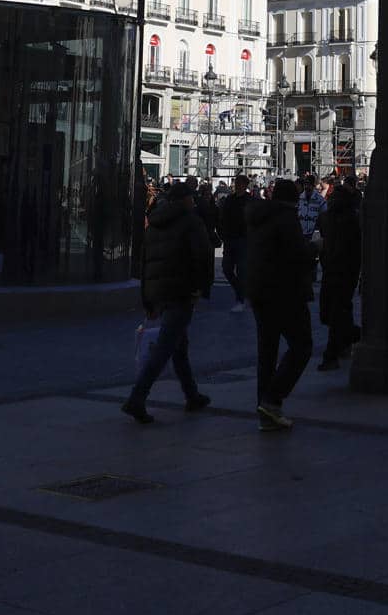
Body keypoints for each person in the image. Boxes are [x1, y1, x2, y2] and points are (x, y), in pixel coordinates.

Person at [123, 180, 214, 422]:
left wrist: (148, 299)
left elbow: (145, 262)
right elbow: (202, 257)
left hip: (159, 291)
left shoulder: (154, 223)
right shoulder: (191, 222)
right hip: (181, 290)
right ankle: (137, 397)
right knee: (165, 345)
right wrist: (200, 288)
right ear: (185, 200)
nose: (193, 201)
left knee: (178, 344)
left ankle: (191, 394)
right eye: (191, 198)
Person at [248, 178, 315, 431]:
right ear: (293, 200)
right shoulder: (286, 219)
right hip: (285, 293)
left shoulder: (260, 217)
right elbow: (296, 255)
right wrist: (315, 247)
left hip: (260, 292)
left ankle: (266, 413)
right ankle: (272, 399)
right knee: (302, 345)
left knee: (267, 353)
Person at [315, 180, 363, 370]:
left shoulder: (351, 220)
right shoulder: (328, 218)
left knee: (336, 313)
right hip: (332, 268)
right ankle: (353, 338)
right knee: (332, 313)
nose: (332, 200)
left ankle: (332, 354)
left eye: (335, 197)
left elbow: (354, 247)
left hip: (344, 270)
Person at [217, 176, 254, 312]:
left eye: (239, 183)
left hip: (243, 239)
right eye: (236, 183)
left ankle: (241, 298)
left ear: (245, 185)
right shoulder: (229, 200)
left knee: (241, 270)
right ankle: (243, 293)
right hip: (230, 238)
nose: (237, 185)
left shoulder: (250, 200)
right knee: (226, 268)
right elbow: (222, 216)